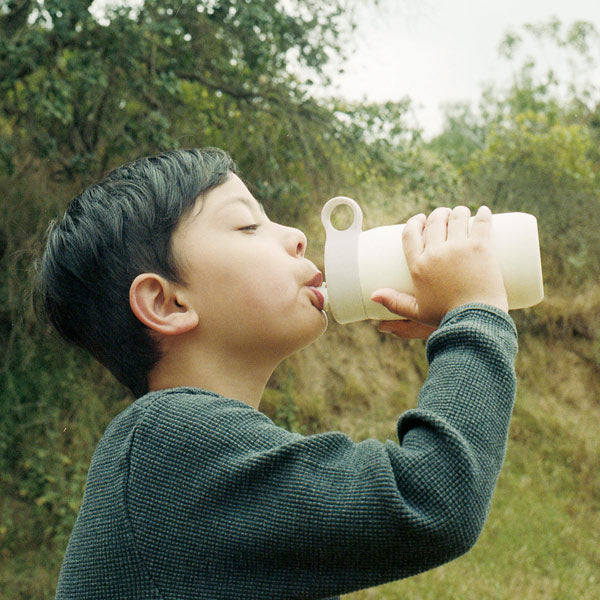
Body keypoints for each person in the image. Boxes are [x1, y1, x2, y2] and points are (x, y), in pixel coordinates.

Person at [35, 147, 517, 600]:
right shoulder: (165, 443)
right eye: (247, 225)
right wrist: (474, 310)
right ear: (167, 303)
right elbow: (431, 496)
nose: (296, 237)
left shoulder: (184, 459)